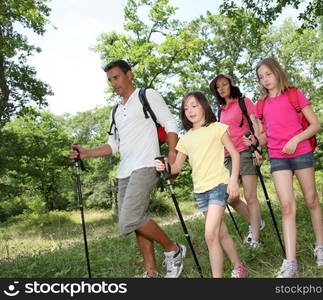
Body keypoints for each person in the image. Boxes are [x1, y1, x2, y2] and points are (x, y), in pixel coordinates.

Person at [69, 59, 186, 278]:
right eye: (110, 80)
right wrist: (86, 152)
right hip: (125, 170)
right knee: (136, 220)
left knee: (129, 219)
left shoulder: (146, 95)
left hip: (147, 164)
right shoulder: (115, 111)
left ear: (129, 75)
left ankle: (173, 249)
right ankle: (151, 272)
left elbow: (170, 123)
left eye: (116, 77)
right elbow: (114, 145)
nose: (113, 83)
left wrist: (172, 155)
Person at [155, 91, 247, 278]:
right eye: (186, 107)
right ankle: (239, 266)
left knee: (210, 235)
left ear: (204, 106)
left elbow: (235, 154)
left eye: (194, 105)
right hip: (200, 192)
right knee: (220, 232)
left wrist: (233, 181)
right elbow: (176, 168)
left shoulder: (216, 128)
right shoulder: (186, 138)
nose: (190, 110)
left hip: (219, 186)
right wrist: (164, 164)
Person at [252, 57, 323, 278]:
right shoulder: (261, 105)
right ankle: (291, 263)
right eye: (261, 77)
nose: (265, 79)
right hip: (278, 157)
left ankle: (321, 247)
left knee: (311, 199)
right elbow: (265, 136)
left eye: (268, 74)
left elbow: (315, 125)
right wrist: (256, 143)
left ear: (277, 73)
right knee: (287, 207)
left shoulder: (294, 94)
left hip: (302, 151)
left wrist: (295, 140)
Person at [209, 74, 265, 250]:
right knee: (231, 197)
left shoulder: (244, 102)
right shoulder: (220, 109)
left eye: (224, 84)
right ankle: (256, 222)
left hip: (246, 152)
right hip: (228, 156)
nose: (222, 89)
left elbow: (256, 125)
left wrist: (258, 147)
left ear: (231, 85)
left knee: (250, 196)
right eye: (218, 87)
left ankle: (255, 239)